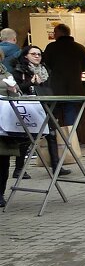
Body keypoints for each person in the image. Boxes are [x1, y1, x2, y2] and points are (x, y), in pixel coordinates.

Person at [12, 45, 66, 176]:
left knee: (52, 135)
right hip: (30, 107)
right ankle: (19, 170)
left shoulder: (45, 69)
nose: (37, 56)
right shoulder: (19, 70)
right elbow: (16, 89)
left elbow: (49, 88)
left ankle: (56, 167)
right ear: (26, 56)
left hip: (45, 106)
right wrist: (31, 82)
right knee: (27, 138)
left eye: (39, 54)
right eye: (33, 54)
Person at [41, 24, 85, 130]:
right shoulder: (79, 47)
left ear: (59, 33)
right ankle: (71, 139)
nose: (53, 35)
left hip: (55, 87)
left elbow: (45, 65)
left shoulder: (52, 47)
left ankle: (53, 138)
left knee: (53, 113)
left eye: (55, 32)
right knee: (70, 111)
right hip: (74, 86)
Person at [0, 63, 30, 206]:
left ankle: (0, 195)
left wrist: (13, 91)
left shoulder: (7, 75)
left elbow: (18, 97)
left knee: (3, 161)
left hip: (4, 124)